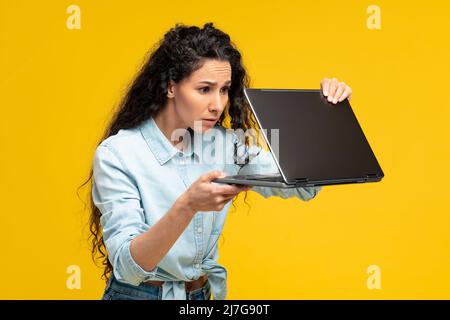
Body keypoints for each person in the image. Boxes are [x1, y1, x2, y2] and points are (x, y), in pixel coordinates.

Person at [84, 22, 353, 300]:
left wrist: (324, 113)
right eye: (204, 89)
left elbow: (302, 184)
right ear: (171, 87)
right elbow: (128, 268)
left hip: (201, 294)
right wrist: (188, 205)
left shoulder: (225, 144)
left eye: (224, 90)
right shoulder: (118, 154)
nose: (218, 104)